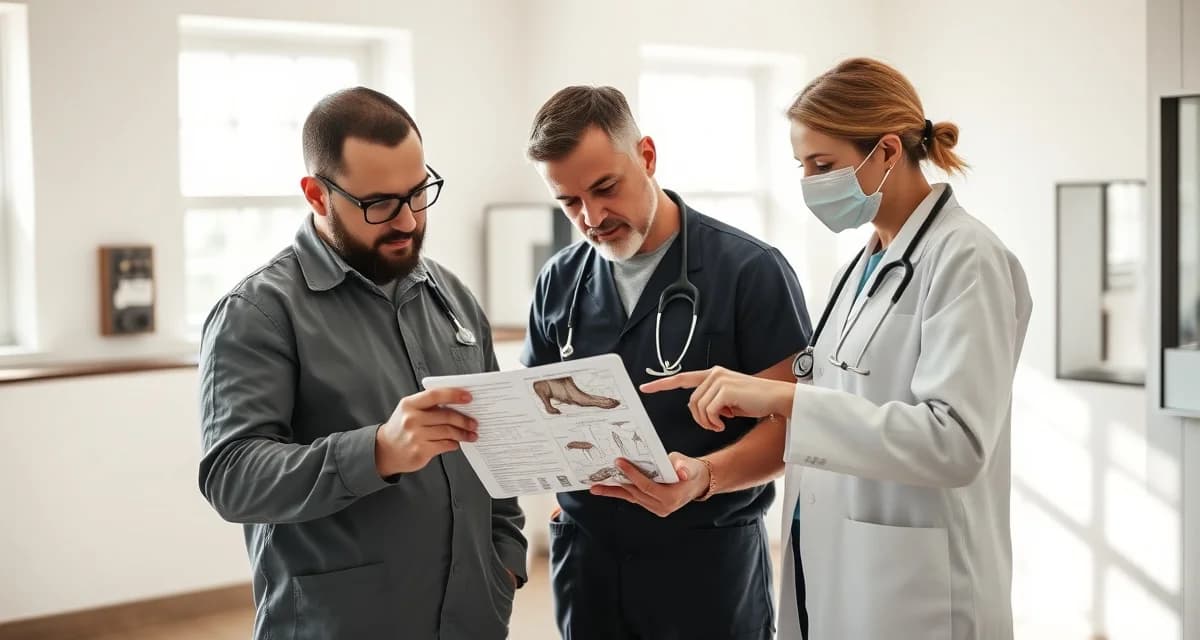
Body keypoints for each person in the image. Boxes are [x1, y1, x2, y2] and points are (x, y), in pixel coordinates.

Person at [644, 57, 1033, 640]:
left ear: (887, 151)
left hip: (919, 585)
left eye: (823, 165)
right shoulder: (862, 267)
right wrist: (725, 445)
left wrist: (786, 399)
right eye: (802, 166)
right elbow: (839, 405)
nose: (809, 182)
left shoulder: (968, 258)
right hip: (836, 560)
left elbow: (956, 442)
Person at [198, 87, 526, 640]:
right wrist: (377, 452)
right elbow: (232, 477)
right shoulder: (258, 312)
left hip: (473, 621)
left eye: (418, 193)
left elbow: (492, 443)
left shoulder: (453, 297)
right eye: (379, 204)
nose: (407, 221)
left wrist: (506, 559)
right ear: (317, 195)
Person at [520, 85, 812, 640]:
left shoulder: (750, 271)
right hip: (589, 568)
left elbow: (793, 424)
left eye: (606, 188)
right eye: (569, 202)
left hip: (705, 567)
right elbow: (539, 410)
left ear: (647, 156)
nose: (592, 217)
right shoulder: (559, 280)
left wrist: (705, 477)